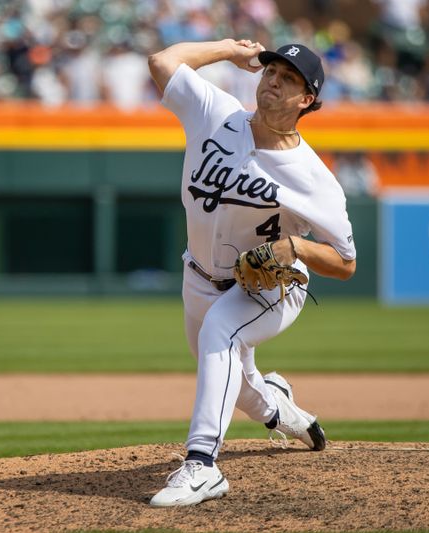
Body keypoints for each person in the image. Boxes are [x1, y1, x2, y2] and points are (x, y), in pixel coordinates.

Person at [146, 39, 357, 507]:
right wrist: (227, 49)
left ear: (307, 100)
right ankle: (280, 409)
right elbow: (163, 62)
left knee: (221, 333)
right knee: (228, 376)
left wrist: (297, 246)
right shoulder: (217, 114)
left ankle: (202, 465)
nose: (274, 81)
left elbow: (346, 263)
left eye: (288, 78)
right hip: (197, 276)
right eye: (270, 72)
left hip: (267, 289)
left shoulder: (312, 177)